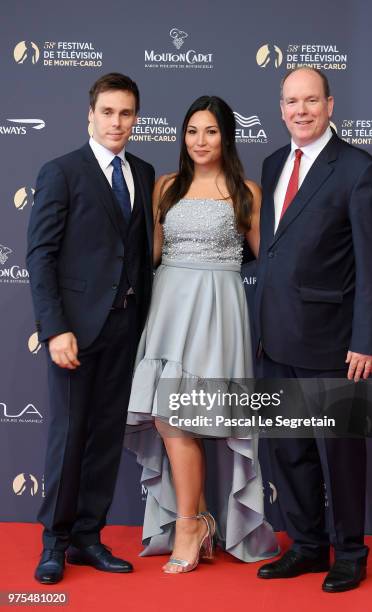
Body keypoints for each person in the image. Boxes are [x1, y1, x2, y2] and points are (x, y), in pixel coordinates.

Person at [127, 95, 278, 573]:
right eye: (192, 131)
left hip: (218, 312)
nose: (200, 140)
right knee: (169, 418)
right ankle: (192, 523)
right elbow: (148, 255)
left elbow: (272, 264)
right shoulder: (166, 187)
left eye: (210, 131)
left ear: (226, 136)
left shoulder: (246, 192)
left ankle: (193, 524)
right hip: (170, 306)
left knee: (186, 418)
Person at [255, 67, 372, 592]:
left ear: (330, 105)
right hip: (275, 336)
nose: (301, 111)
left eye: (311, 100)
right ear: (281, 107)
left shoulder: (360, 169)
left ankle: (350, 552)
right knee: (288, 450)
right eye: (292, 101)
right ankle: (308, 547)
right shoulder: (271, 164)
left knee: (340, 453)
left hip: (334, 340)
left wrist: (366, 339)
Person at [26, 73, 154, 584]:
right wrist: (55, 329)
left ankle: (87, 538)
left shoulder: (143, 172)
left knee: (104, 438)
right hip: (74, 334)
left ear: (136, 118)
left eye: (126, 113)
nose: (117, 122)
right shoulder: (61, 172)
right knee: (69, 437)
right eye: (108, 112)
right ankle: (53, 543)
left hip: (126, 328)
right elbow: (41, 256)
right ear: (91, 115)